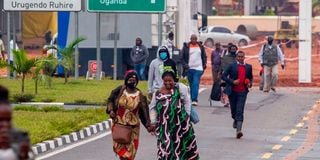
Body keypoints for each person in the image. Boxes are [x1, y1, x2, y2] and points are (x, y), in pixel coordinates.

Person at [149, 69, 199, 159]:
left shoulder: (180, 89)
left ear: (174, 80)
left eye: (170, 81)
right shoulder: (157, 93)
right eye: (165, 81)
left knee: (182, 150)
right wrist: (153, 122)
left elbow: (187, 103)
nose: (168, 83)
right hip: (164, 128)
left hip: (181, 127)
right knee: (165, 150)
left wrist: (186, 118)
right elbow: (152, 108)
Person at [106, 70, 151, 160]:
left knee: (130, 154)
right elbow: (110, 100)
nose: (132, 82)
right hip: (119, 125)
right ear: (126, 80)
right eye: (130, 80)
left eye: (134, 80)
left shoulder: (140, 95)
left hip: (133, 129)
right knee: (121, 153)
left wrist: (148, 125)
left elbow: (144, 112)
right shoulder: (120, 90)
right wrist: (111, 110)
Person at [222, 51, 253, 139]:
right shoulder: (232, 66)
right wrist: (232, 81)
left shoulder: (248, 67)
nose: (240, 58)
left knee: (240, 110)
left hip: (242, 92)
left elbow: (250, 78)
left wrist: (249, 84)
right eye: (239, 56)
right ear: (236, 57)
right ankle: (235, 119)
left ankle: (239, 131)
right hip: (232, 91)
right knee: (234, 111)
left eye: (242, 56)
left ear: (244, 57)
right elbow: (223, 76)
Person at [0, 85, 34, 160]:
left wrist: (24, 156)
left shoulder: (19, 138)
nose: (5, 125)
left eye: (8, 120)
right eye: (0, 120)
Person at [180, 34, 207, 106]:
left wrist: (204, 65)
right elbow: (182, 58)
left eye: (195, 39)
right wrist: (185, 65)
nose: (194, 40)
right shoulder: (186, 46)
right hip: (189, 68)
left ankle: (194, 99)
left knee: (195, 83)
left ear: (197, 39)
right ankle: (192, 99)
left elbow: (204, 56)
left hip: (198, 68)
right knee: (191, 84)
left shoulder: (200, 47)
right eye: (193, 39)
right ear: (190, 39)